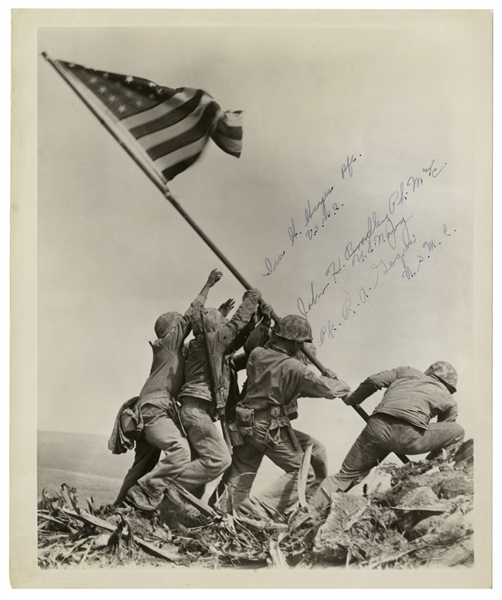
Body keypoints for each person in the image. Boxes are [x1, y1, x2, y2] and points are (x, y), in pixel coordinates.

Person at [219, 315, 351, 518]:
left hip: (246, 422)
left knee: (242, 470)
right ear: (292, 341)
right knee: (304, 473)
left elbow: (284, 384)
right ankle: (257, 509)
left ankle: (222, 510)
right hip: (268, 426)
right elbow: (329, 390)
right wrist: (338, 383)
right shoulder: (295, 368)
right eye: (300, 344)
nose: (301, 348)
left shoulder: (258, 354)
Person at [112, 269, 223, 510]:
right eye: (180, 328)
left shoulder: (176, 354)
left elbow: (204, 338)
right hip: (155, 410)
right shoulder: (168, 345)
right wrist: (207, 285)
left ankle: (119, 507)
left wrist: (218, 317)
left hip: (149, 412)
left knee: (142, 466)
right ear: (171, 330)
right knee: (180, 450)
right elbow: (190, 315)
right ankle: (147, 493)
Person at [311, 361, 465, 507]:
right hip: (408, 436)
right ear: (449, 386)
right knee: (457, 431)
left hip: (376, 429)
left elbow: (374, 380)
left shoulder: (406, 371)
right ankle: (428, 471)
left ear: (430, 372)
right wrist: (427, 466)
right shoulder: (449, 399)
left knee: (343, 476)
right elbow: (444, 435)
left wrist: (353, 398)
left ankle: (307, 511)